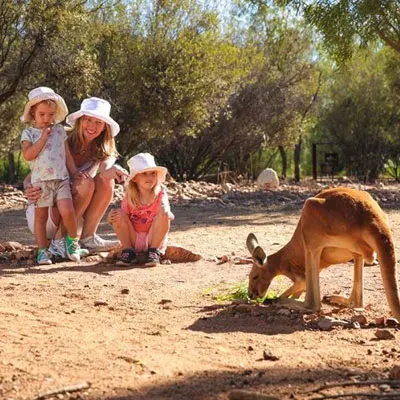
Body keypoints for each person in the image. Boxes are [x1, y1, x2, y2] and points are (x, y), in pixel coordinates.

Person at [25, 96, 129, 256]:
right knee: (86, 182)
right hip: (46, 215)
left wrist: (116, 170)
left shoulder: (105, 149)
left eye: (98, 122)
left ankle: (87, 238)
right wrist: (29, 189)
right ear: (80, 121)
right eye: (88, 120)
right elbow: (31, 176)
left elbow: (107, 170)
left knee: (104, 181)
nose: (92, 126)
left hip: (71, 217)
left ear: (104, 127)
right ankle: (58, 241)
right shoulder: (59, 138)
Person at [20, 87, 84, 264]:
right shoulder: (29, 134)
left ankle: (72, 243)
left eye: (50, 114)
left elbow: (67, 155)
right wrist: (42, 138)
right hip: (41, 182)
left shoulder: (59, 131)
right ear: (33, 113)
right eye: (42, 114)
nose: (47, 119)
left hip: (61, 179)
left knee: (68, 211)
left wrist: (75, 173)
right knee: (41, 217)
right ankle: (42, 251)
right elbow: (28, 155)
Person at [107, 153, 174, 267]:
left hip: (153, 237)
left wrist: (165, 211)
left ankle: (154, 252)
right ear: (135, 178)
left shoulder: (160, 194)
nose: (149, 177)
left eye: (152, 173)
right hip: (134, 237)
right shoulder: (129, 197)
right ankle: (129, 251)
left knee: (164, 212)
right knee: (117, 213)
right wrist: (111, 218)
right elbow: (123, 218)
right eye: (144, 174)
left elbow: (167, 213)